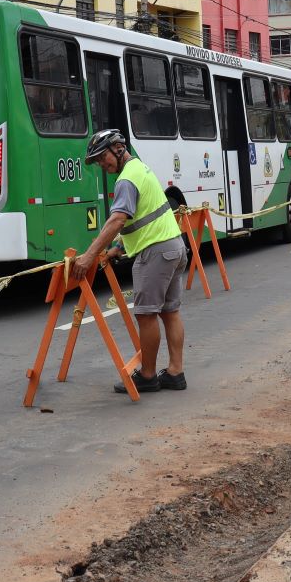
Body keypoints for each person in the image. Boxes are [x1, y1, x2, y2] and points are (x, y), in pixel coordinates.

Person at [71, 129, 188, 394]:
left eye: (103, 158)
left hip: (155, 252)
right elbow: (145, 216)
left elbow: (118, 220)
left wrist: (89, 256)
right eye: (98, 161)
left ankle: (147, 376)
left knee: (147, 316)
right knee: (170, 312)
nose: (102, 164)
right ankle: (175, 372)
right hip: (174, 246)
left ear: (119, 148)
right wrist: (118, 248)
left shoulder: (125, 180)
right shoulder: (140, 169)